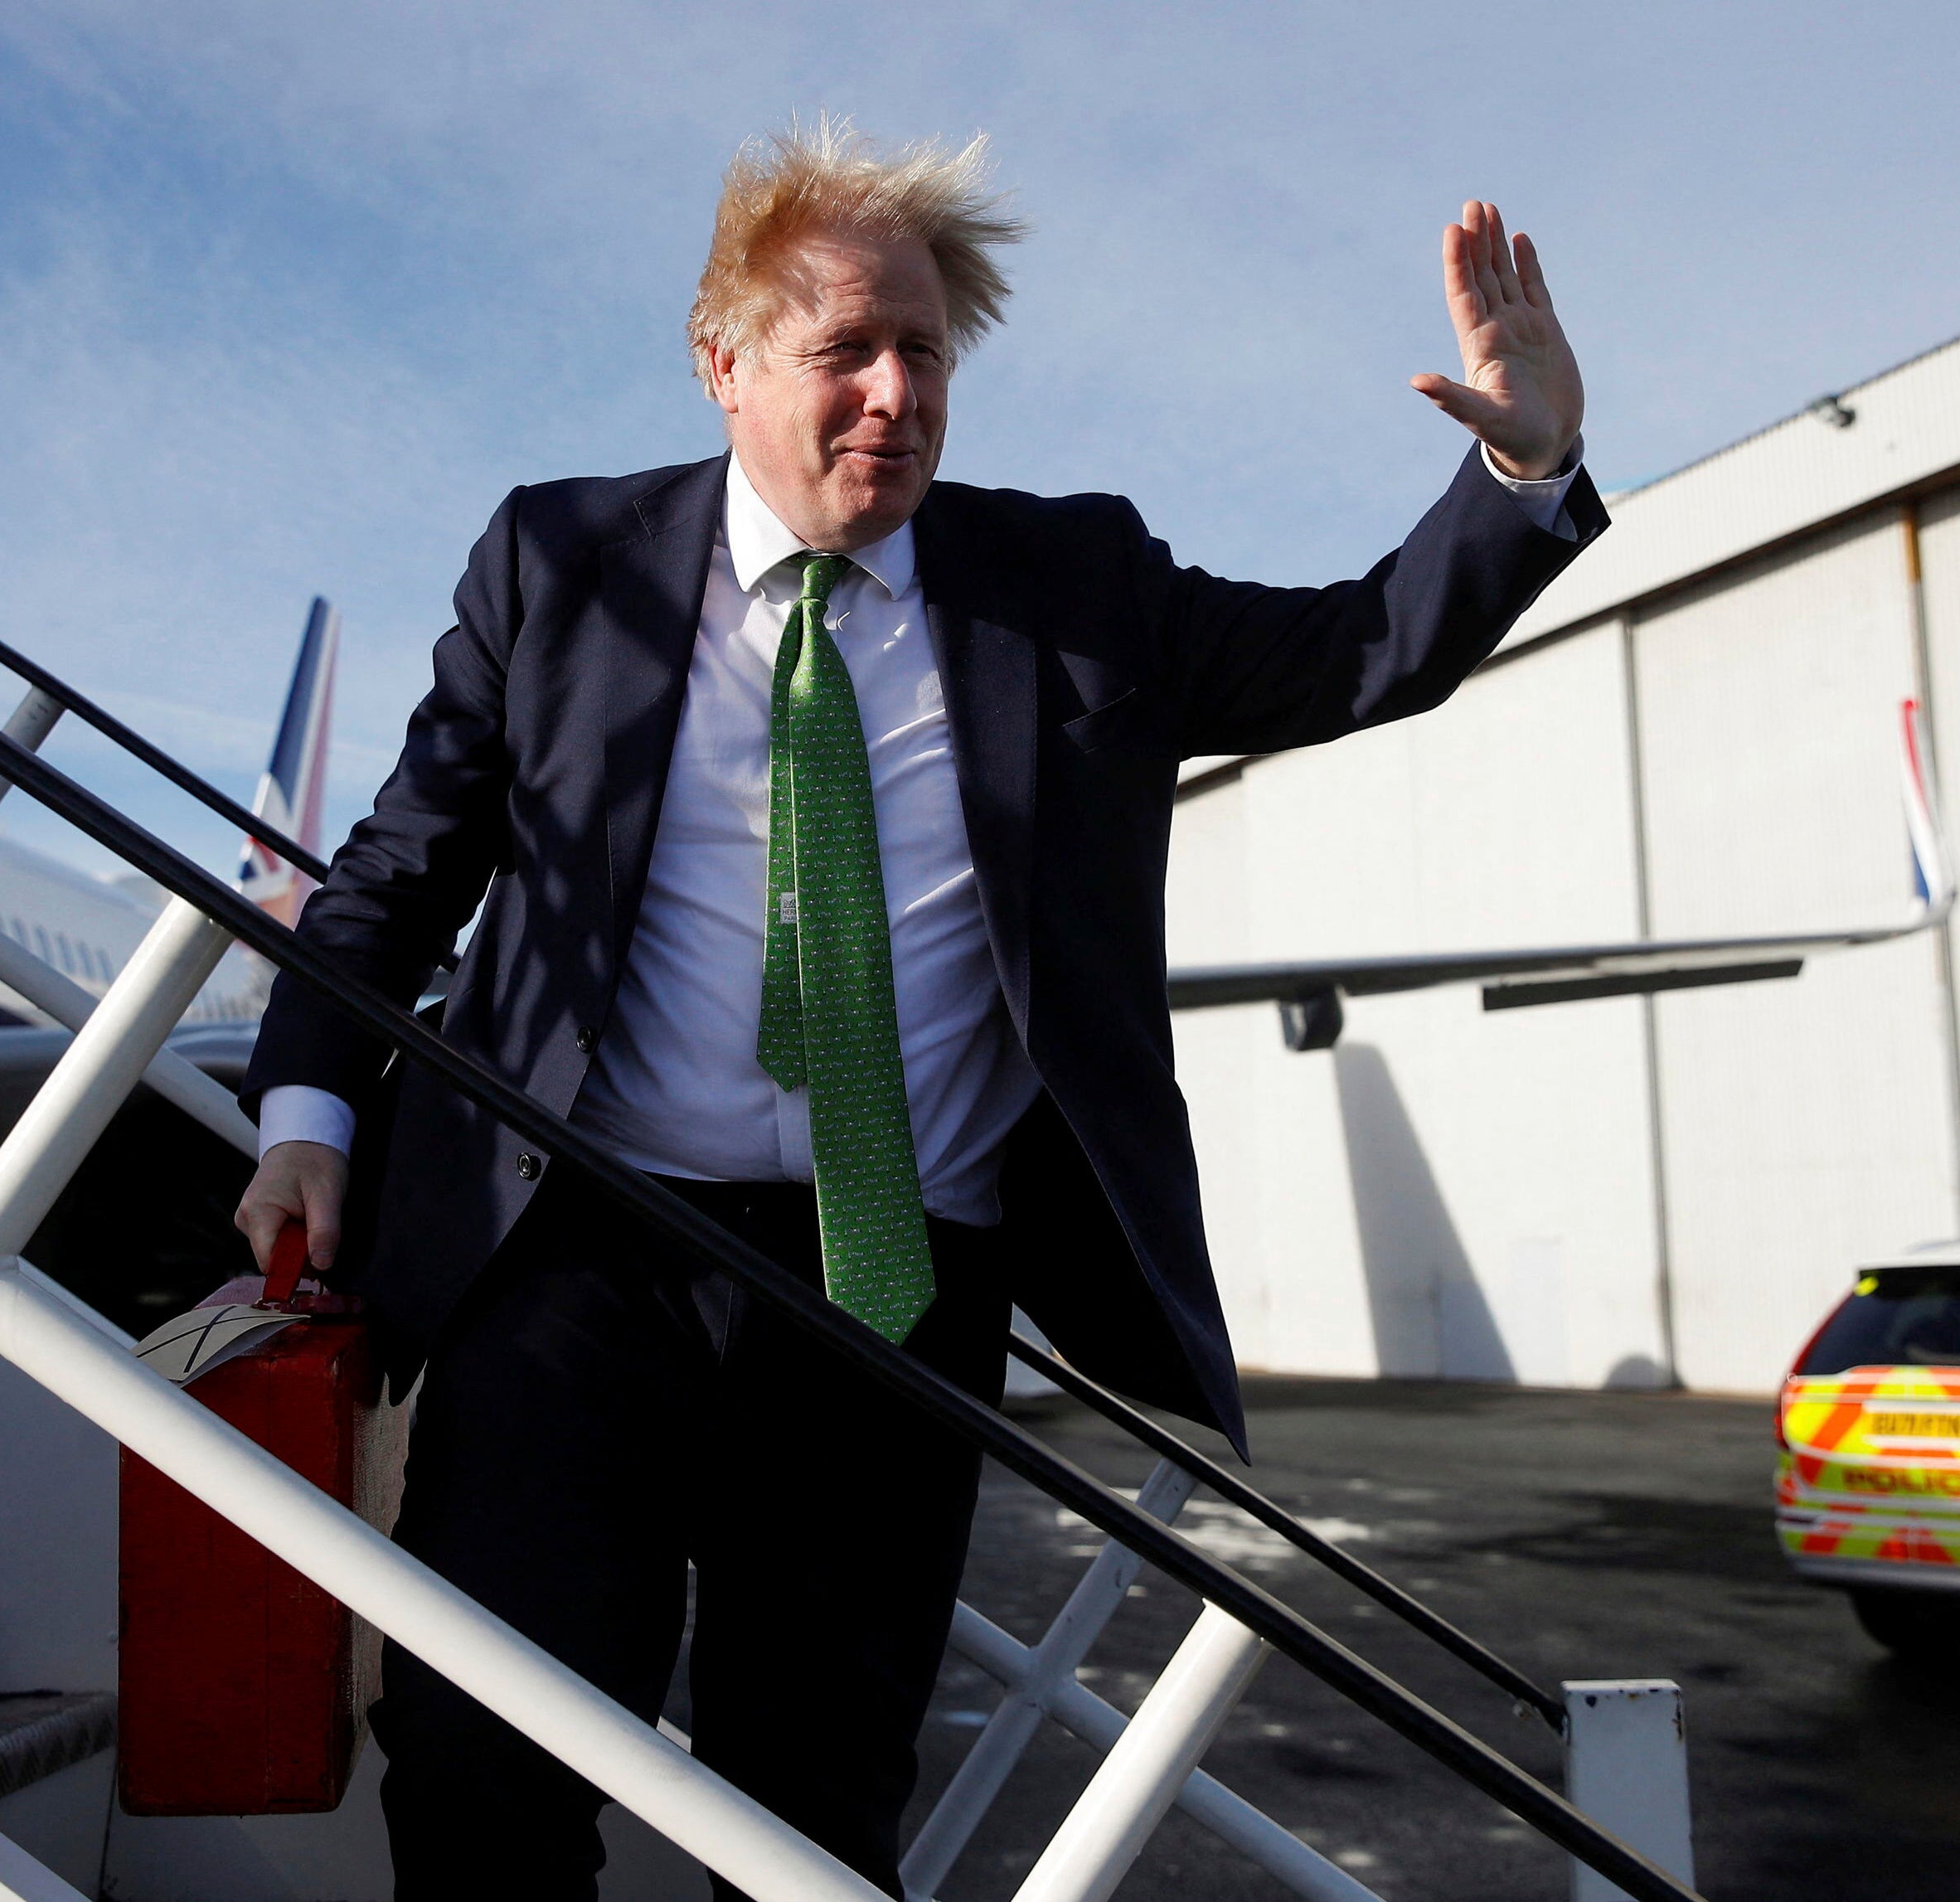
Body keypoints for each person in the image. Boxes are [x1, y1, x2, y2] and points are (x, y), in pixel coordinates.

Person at [234, 120, 1600, 1900]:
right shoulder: (557, 568)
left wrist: (1522, 467)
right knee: (483, 1758)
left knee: (816, 1794)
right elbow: (396, 870)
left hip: (887, 1286)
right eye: (842, 350)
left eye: (926, 351)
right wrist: (303, 1116)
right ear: (723, 366)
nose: (892, 392)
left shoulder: (1071, 585)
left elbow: (1353, 653)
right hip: (578, 1263)